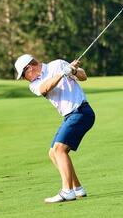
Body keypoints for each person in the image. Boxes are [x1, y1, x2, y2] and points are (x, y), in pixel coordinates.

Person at [14, 54, 95, 203]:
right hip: (70, 116)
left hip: (81, 112)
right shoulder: (34, 85)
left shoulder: (57, 64)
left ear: (29, 68)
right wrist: (63, 73)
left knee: (59, 150)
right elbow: (45, 88)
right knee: (53, 153)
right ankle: (77, 188)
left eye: (23, 75)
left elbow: (84, 77)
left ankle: (67, 191)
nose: (24, 79)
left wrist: (74, 71)